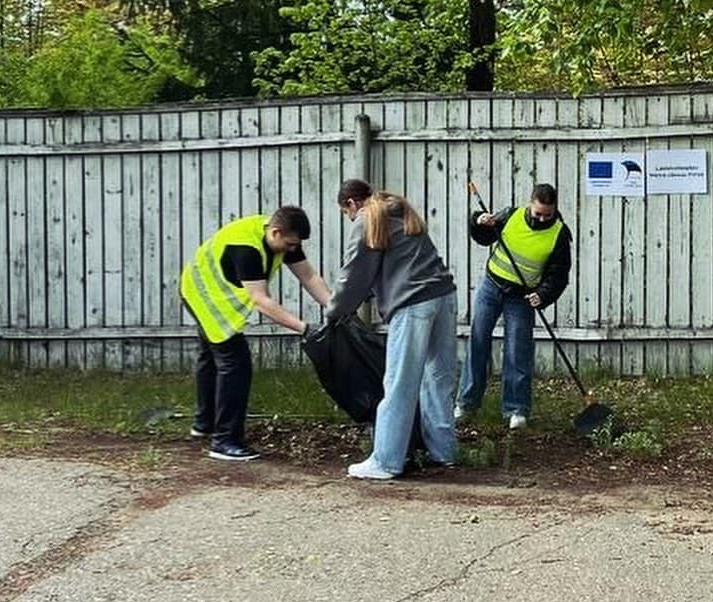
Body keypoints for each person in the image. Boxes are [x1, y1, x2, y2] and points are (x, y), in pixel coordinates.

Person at [324, 191, 458, 481]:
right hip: (444, 296)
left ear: (351, 203)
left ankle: (386, 461)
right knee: (438, 378)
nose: (350, 218)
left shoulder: (367, 217)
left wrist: (334, 311)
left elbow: (354, 274)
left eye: (346, 213)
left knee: (399, 382)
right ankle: (443, 452)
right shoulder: (401, 210)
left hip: (412, 304)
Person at [180, 205, 330, 462]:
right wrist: (304, 328)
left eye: (296, 245)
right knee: (235, 364)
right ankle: (224, 440)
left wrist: (334, 307)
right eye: (290, 244)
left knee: (210, 357)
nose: (293, 250)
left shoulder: (281, 235)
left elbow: (309, 276)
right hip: (206, 296)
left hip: (202, 289)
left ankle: (204, 424)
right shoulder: (246, 250)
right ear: (275, 232)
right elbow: (261, 301)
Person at [456, 183, 573, 429]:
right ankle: (466, 404)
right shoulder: (511, 215)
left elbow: (559, 275)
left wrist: (543, 294)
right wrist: (478, 220)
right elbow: (484, 237)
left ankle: (516, 410)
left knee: (517, 350)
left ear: (555, 210)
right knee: (477, 342)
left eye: (547, 215)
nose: (541, 219)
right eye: (538, 213)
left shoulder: (559, 235)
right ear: (531, 203)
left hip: (522, 297)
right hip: (491, 286)